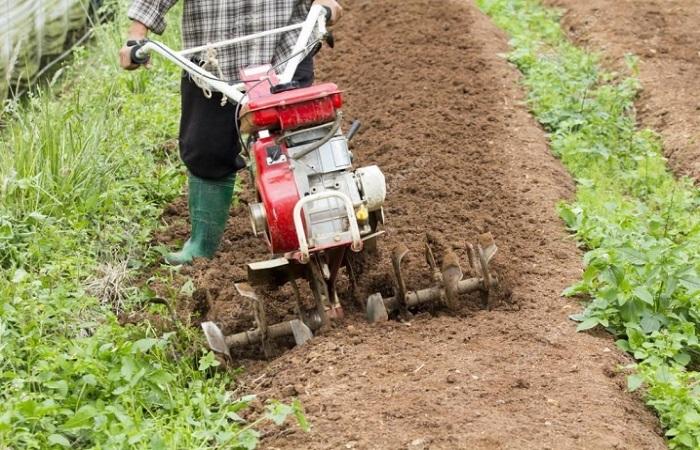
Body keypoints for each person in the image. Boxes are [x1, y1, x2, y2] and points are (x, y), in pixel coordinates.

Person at [119, 0, 342, 265]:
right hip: (214, 62)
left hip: (285, 52)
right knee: (206, 149)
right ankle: (201, 246)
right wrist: (136, 37)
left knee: (298, 141)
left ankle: (316, 228)